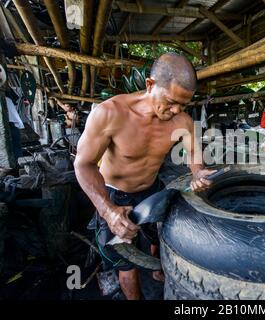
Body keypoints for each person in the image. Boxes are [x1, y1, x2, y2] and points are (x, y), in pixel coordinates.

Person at [74, 53, 216, 300]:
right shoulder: (111, 113)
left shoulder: (181, 119)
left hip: (151, 189)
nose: (176, 111)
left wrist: (198, 171)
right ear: (150, 85)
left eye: (184, 105)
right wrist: (107, 211)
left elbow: (194, 152)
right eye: (171, 102)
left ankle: (159, 272)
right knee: (127, 264)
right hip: (115, 196)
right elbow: (83, 165)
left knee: (158, 236)